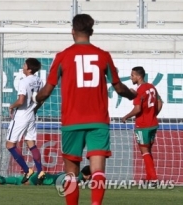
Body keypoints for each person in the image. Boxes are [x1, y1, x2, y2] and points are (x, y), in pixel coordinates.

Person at [33, 14, 137, 205]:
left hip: (72, 121)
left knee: (71, 174)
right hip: (98, 121)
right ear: (91, 32)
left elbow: (46, 91)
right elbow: (119, 87)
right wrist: (132, 95)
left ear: (72, 31)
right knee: (97, 171)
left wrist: (36, 99)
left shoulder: (62, 56)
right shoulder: (103, 56)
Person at [121, 66, 163, 187]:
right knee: (148, 151)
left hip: (143, 125)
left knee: (144, 152)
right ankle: (150, 177)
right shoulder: (152, 87)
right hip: (153, 124)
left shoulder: (139, 91)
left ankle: (154, 179)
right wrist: (153, 115)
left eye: (132, 75)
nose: (131, 77)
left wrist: (126, 117)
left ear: (139, 76)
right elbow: (160, 102)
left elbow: (138, 109)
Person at [6, 58, 45, 185]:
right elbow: (41, 100)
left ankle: (26, 170)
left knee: (10, 145)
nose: (23, 67)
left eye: (24, 65)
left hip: (21, 116)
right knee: (31, 144)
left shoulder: (24, 82)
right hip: (31, 116)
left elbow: (21, 100)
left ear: (29, 68)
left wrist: (11, 106)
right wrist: (34, 110)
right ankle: (40, 171)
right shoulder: (40, 81)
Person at [0, 165, 91, 186]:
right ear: (88, 175)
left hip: (37, 177)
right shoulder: (78, 177)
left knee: (6, 180)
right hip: (41, 179)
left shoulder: (71, 172)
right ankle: (34, 176)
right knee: (24, 182)